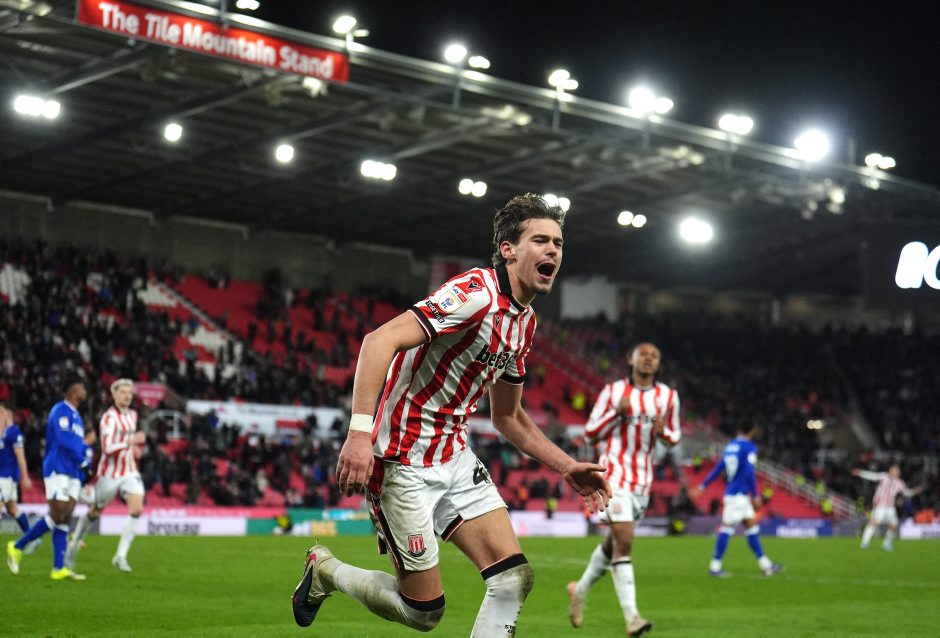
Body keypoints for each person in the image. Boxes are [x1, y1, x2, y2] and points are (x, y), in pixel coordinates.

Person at [291, 193, 611, 636]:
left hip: (454, 456)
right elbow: (378, 341)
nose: (553, 250)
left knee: (513, 579)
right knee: (424, 612)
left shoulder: (525, 322)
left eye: (558, 243)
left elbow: (508, 416)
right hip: (401, 459)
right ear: (508, 249)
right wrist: (359, 435)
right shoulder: (475, 294)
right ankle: (326, 571)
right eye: (541, 240)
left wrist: (566, 465)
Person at [567, 342, 681, 636]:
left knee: (613, 545)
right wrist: (616, 414)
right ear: (631, 359)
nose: (648, 359)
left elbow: (675, 437)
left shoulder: (668, 397)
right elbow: (590, 433)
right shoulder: (613, 392)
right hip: (613, 476)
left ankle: (579, 590)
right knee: (625, 541)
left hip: (643, 481)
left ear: (659, 364)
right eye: (643, 354)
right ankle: (633, 618)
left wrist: (663, 433)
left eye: (654, 356)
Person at [7, 378, 94, 580]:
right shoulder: (60, 410)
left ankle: (58, 568)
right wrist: (82, 462)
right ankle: (17, 546)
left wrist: (83, 467)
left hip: (73, 471)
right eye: (82, 387)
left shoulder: (77, 417)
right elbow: (64, 441)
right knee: (57, 513)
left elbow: (77, 444)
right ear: (73, 390)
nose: (85, 391)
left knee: (65, 516)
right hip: (58, 467)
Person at [66, 378, 146, 573]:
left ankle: (120, 556)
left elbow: (128, 443)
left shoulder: (133, 415)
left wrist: (135, 449)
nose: (127, 396)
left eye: (129, 392)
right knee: (95, 511)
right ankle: (75, 542)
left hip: (129, 470)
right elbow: (108, 448)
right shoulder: (108, 418)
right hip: (110, 473)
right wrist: (131, 441)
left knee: (137, 508)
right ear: (114, 395)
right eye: (122, 392)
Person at [689, 420, 782, 578]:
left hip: (737, 495)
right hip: (738, 495)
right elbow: (749, 473)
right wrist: (756, 495)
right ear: (752, 431)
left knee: (751, 527)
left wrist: (703, 486)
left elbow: (718, 468)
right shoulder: (749, 447)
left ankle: (766, 565)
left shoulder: (730, 447)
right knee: (727, 529)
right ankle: (715, 567)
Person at [853, 464, 922, 551]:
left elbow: (906, 493)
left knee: (894, 525)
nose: (896, 473)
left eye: (897, 471)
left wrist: (914, 491)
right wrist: (860, 472)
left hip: (890, 507)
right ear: (890, 471)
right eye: (894, 471)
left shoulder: (899, 482)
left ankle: (886, 543)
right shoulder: (884, 476)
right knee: (875, 523)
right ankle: (864, 543)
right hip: (880, 505)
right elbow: (872, 476)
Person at [0, 403, 39, 551]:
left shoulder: (13, 432)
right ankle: (32, 539)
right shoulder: (3, 433)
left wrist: (25, 476)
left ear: (7, 415)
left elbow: (20, 455)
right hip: (4, 477)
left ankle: (31, 539)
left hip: (6, 477)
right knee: (12, 509)